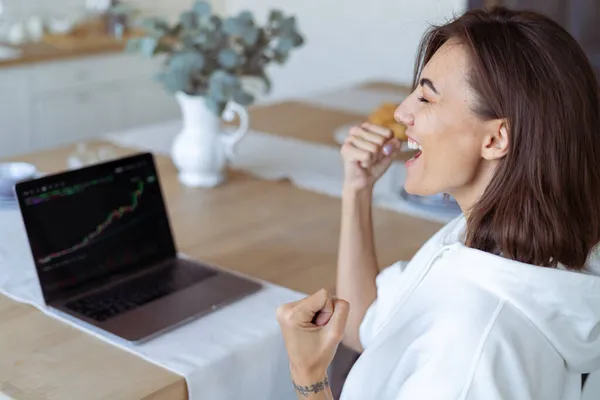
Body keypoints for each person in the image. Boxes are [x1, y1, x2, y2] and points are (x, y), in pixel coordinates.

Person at [276, 6, 600, 400]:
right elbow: (368, 323)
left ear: (496, 140)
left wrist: (308, 376)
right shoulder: (497, 242)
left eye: (426, 98)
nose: (401, 111)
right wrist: (357, 190)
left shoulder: (470, 357)